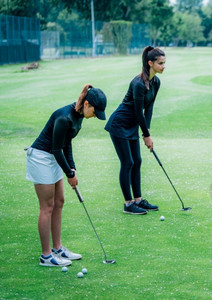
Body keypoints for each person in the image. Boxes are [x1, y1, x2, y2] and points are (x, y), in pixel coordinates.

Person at [26, 84, 107, 267]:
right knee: (47, 206)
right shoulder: (64, 117)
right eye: (95, 111)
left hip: (54, 157)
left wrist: (73, 168)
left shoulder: (78, 116)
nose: (95, 116)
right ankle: (46, 256)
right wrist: (69, 173)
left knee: (59, 201)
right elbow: (56, 148)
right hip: (41, 158)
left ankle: (57, 248)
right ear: (87, 104)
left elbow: (67, 143)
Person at [105, 46, 166, 215]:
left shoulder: (156, 82)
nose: (163, 66)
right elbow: (138, 111)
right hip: (119, 124)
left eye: (164, 63)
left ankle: (138, 200)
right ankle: (128, 203)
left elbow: (149, 109)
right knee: (128, 163)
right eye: (160, 63)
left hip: (131, 126)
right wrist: (145, 135)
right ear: (150, 63)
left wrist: (147, 132)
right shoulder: (138, 83)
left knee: (137, 161)